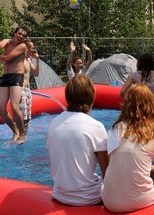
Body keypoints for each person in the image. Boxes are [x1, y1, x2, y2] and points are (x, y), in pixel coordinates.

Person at [102, 83, 154, 213]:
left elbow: (114, 163)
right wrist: (151, 169)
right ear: (151, 104)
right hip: (142, 200)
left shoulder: (115, 129)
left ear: (126, 104)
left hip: (109, 201)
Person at [46, 74, 108, 206]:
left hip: (59, 195)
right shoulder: (95, 126)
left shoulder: (53, 124)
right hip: (89, 198)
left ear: (67, 97)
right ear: (92, 97)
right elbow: (107, 172)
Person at [121, 53, 154, 119]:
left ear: (139, 63)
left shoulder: (133, 76)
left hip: (140, 109)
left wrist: (130, 103)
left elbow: (122, 92)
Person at [19, 40, 40, 135]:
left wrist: (38, 60)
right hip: (20, 89)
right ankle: (19, 136)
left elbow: (36, 73)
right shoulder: (20, 60)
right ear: (26, 48)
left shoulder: (28, 60)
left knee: (27, 118)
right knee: (22, 116)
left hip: (28, 90)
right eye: (32, 47)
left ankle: (24, 137)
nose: (33, 49)